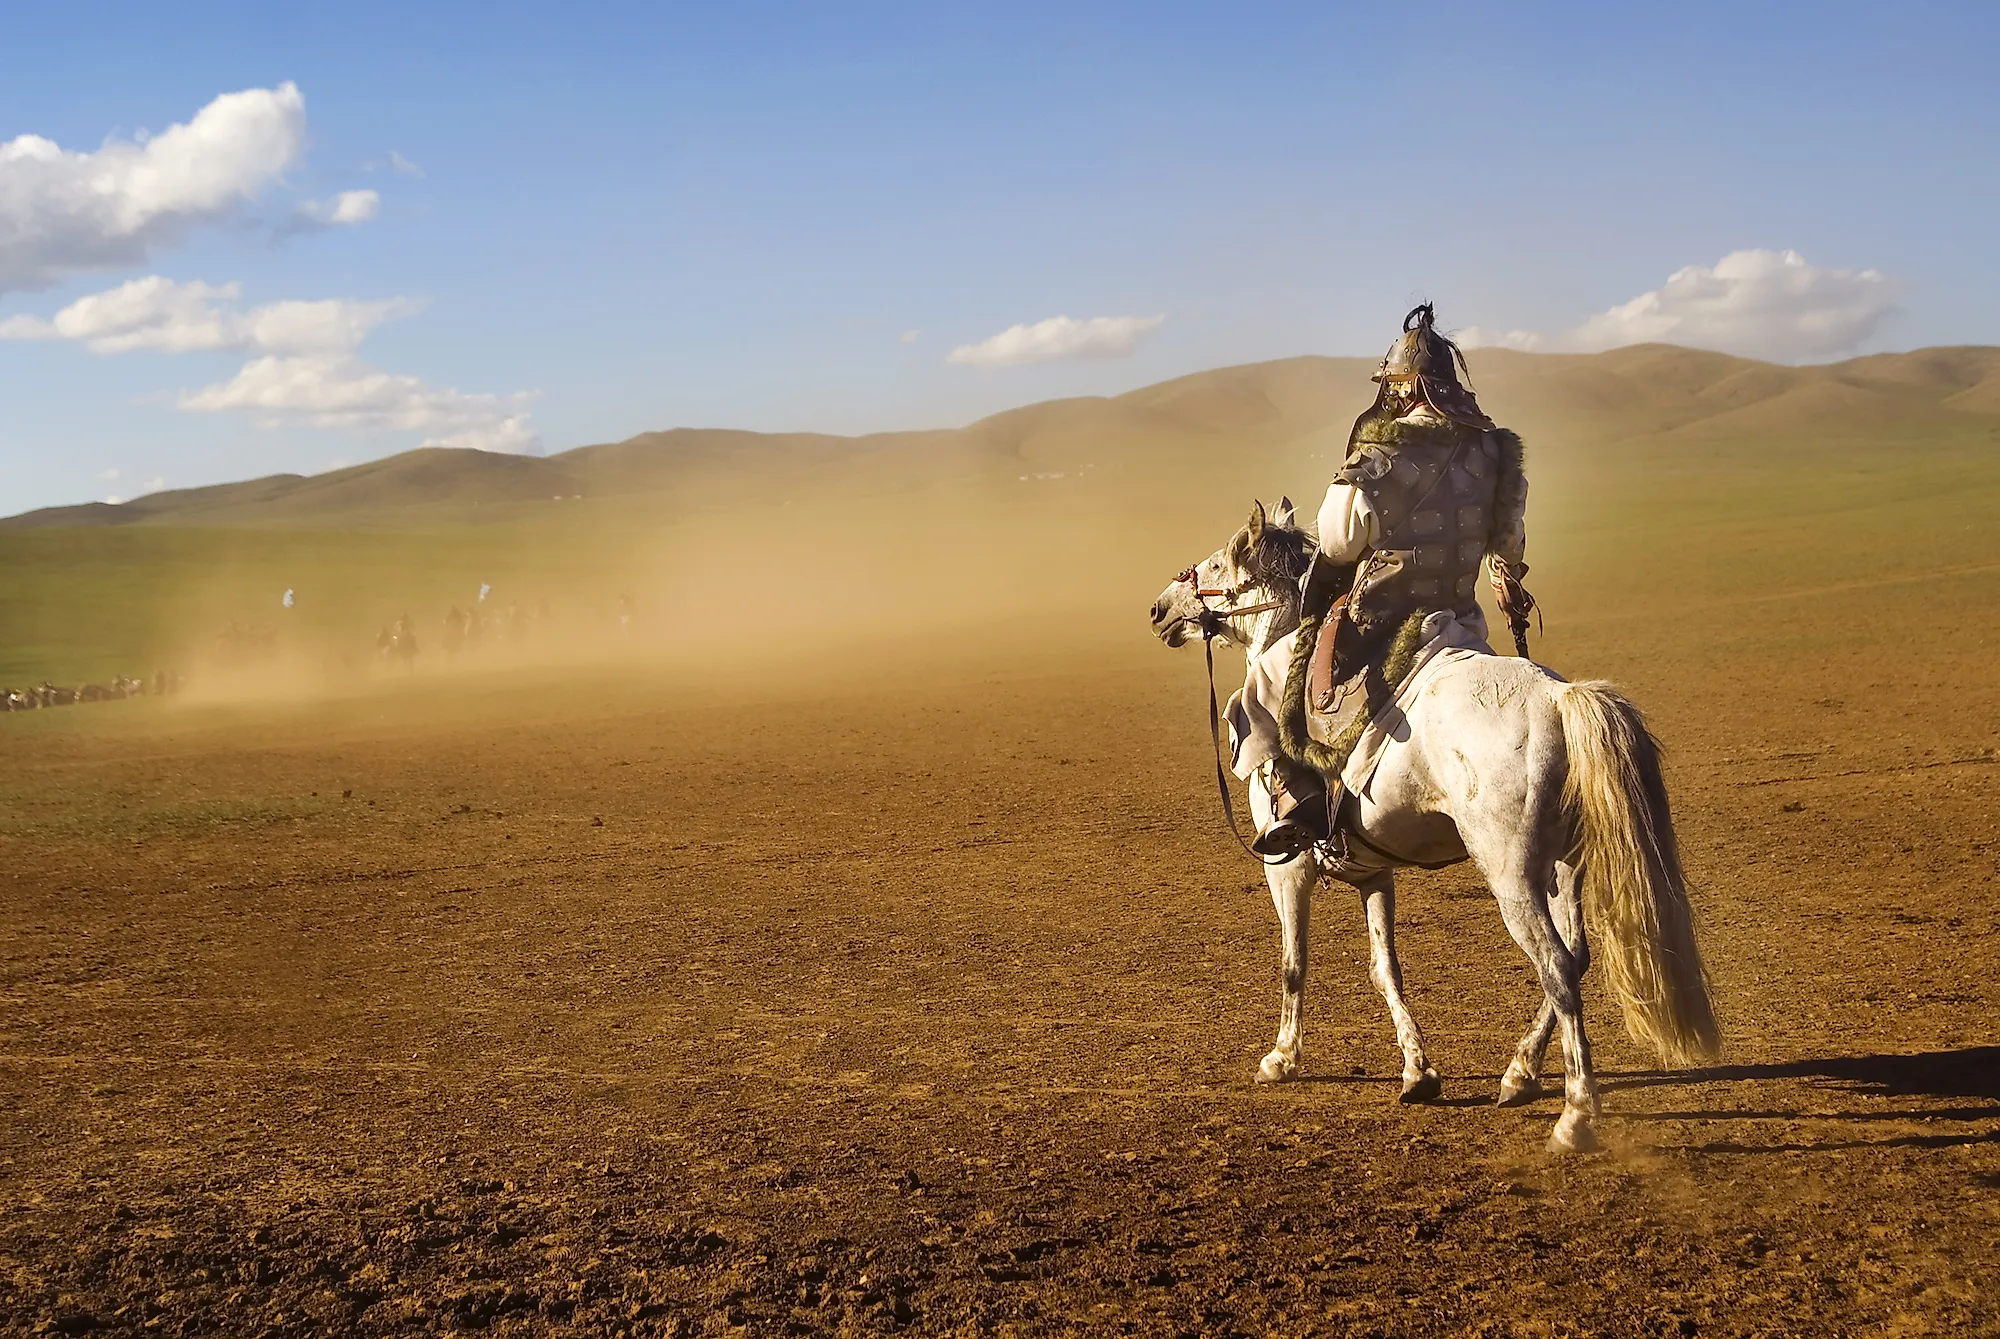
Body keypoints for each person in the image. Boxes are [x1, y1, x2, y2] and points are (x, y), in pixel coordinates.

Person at [1233, 303, 1534, 858]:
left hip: (1381, 624)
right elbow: (1509, 542)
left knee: (1272, 673)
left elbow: (1337, 543)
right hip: (1461, 622)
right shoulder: (1493, 453)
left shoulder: (1378, 455)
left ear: (1402, 389)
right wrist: (1507, 576)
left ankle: (1298, 803)